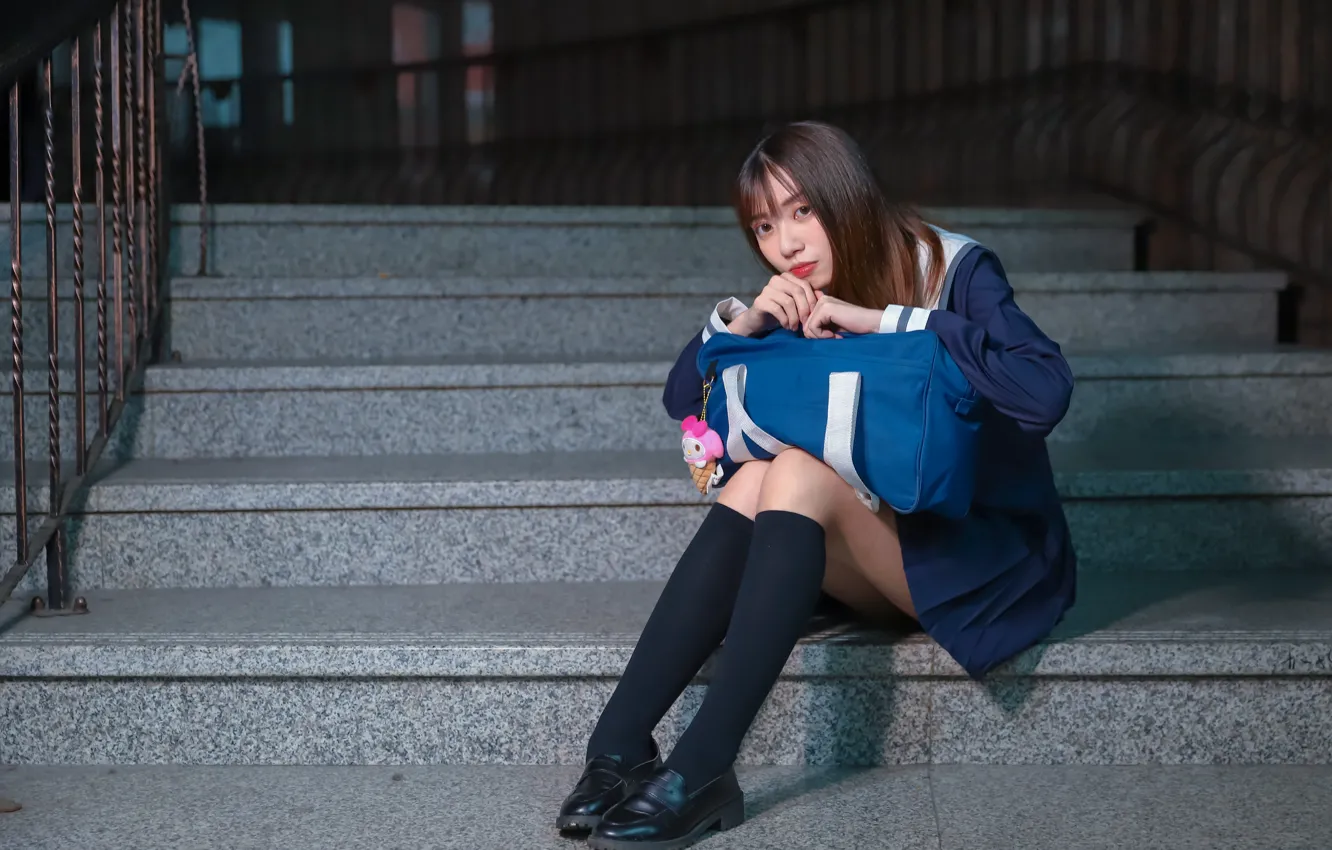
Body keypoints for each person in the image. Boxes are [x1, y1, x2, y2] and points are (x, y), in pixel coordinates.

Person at [556, 121, 1077, 849]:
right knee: (757, 477)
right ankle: (617, 744)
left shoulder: (950, 266)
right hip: (869, 543)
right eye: (765, 226)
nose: (787, 244)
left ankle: (702, 766)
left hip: (974, 554)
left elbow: (1045, 392)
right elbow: (684, 395)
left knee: (792, 470)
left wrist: (887, 321)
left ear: (846, 194)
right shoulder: (796, 292)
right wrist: (752, 317)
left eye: (803, 211)